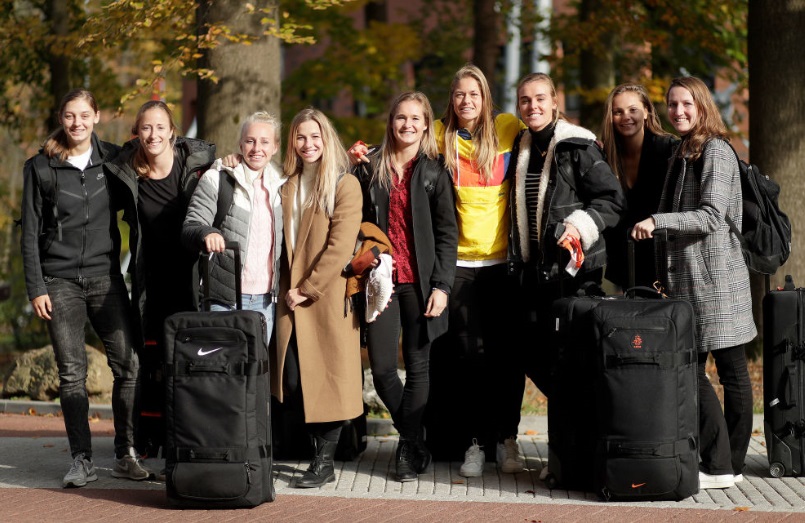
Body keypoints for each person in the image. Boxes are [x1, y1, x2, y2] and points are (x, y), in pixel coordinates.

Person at [20, 88, 149, 487]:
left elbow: (162, 157)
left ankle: (126, 453)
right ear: (62, 118)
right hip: (59, 282)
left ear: (96, 116)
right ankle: (82, 459)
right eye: (69, 116)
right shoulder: (40, 167)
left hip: (106, 278)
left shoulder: (115, 160)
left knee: (128, 365)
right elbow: (29, 233)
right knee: (72, 372)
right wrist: (36, 287)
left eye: (84, 115)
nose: (76, 123)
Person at [632, 76, 756, 490]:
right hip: (688, 283)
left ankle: (726, 464)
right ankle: (721, 460)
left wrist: (656, 221)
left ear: (703, 106)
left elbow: (709, 216)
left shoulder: (717, 151)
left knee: (730, 372)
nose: (678, 111)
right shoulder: (683, 151)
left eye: (686, 104)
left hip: (716, 281)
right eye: (672, 104)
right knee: (690, 372)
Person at [352, 92, 458, 482]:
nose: (408, 125)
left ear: (427, 124)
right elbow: (352, 214)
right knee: (381, 368)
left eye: (416, 118)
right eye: (401, 117)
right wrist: (350, 167)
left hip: (421, 281)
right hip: (381, 282)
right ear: (391, 121)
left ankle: (407, 448)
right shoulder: (371, 166)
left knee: (417, 366)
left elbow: (448, 235)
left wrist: (443, 286)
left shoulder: (434, 171)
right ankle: (415, 438)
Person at [427, 64, 525, 478]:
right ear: (451, 99)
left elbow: (553, 134)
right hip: (460, 265)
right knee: (468, 357)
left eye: (475, 94)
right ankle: (473, 442)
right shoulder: (437, 134)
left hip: (502, 264)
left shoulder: (508, 128)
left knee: (507, 356)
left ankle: (507, 439)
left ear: (486, 97)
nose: (467, 101)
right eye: (460, 94)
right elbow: (397, 146)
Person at [105, 100, 216, 460]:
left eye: (159, 127)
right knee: (151, 363)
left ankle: (185, 435)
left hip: (192, 279)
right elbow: (93, 158)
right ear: (138, 132)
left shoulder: (196, 165)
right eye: (145, 128)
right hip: (150, 282)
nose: (153, 135)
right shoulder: (126, 171)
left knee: (186, 359)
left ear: (172, 131)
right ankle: (150, 437)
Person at [508, 72, 625, 398]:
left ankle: (579, 436)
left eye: (540, 98)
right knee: (529, 352)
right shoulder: (521, 148)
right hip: (533, 273)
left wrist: (578, 224)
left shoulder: (578, 144)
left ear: (555, 102)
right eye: (525, 100)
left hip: (574, 272)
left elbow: (612, 200)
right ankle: (572, 419)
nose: (533, 106)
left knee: (572, 358)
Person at [274, 108, 363, 488]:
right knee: (291, 379)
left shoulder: (344, 185)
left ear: (327, 140)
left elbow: (340, 247)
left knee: (327, 378)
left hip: (323, 298)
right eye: (300, 137)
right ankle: (309, 448)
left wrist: (307, 289)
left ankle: (323, 461)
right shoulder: (285, 184)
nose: (308, 144)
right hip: (288, 298)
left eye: (315, 137)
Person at [182, 111, 285, 332]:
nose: (257, 149)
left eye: (264, 142)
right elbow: (191, 225)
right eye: (250, 141)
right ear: (240, 144)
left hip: (267, 301)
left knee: (256, 367)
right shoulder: (218, 177)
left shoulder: (284, 187)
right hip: (223, 299)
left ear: (275, 147)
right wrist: (207, 233)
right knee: (222, 366)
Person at [600, 83, 678, 290]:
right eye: (618, 112)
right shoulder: (603, 155)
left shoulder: (668, 149)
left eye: (633, 110)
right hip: (624, 262)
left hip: (664, 260)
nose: (626, 117)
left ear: (646, 111)